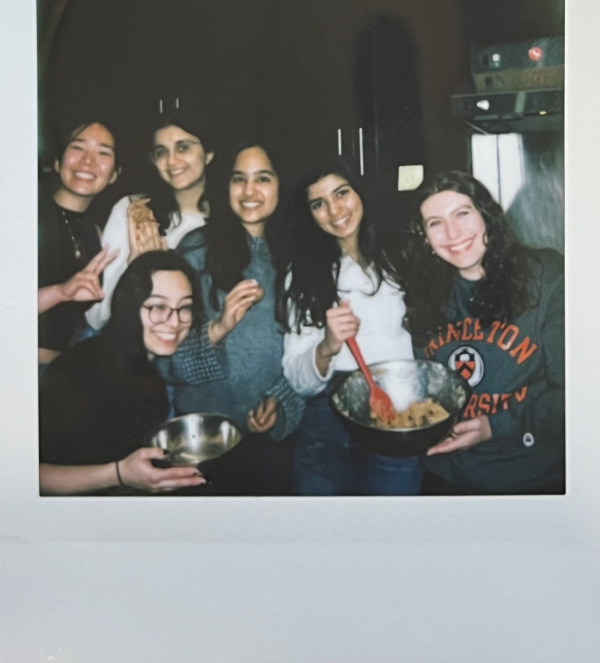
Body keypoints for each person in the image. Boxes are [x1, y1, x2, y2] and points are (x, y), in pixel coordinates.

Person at [403, 170, 565, 495]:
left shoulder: (547, 276)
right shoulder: (421, 296)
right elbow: (426, 386)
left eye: (462, 214)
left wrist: (495, 425)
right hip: (447, 478)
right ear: (425, 238)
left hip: (533, 477)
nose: (452, 233)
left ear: (486, 216)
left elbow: (581, 395)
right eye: (435, 223)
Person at [159, 143, 305, 495]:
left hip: (271, 444)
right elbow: (164, 363)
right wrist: (218, 329)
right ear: (225, 187)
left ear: (281, 185)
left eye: (263, 179)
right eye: (239, 179)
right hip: (200, 441)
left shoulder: (300, 257)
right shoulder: (195, 251)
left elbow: (310, 352)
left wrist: (281, 399)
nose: (250, 191)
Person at [281, 158, 421, 496]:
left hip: (397, 409)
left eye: (341, 193)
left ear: (360, 193)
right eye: (319, 204)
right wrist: (326, 347)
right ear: (309, 215)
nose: (334, 210)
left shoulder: (401, 258)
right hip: (327, 424)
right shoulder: (301, 275)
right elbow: (296, 378)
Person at [39, 251, 207, 495]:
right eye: (158, 306)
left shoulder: (147, 371)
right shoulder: (82, 371)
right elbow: (33, 477)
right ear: (130, 306)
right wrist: (118, 474)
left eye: (185, 307)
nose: (174, 322)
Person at [85, 109, 214, 331]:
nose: (172, 160)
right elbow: (96, 317)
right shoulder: (132, 211)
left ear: (208, 153)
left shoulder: (224, 225)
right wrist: (134, 267)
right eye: (161, 152)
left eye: (183, 147)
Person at [38, 121, 120, 362]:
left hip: (63, 372)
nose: (88, 161)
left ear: (114, 174)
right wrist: (60, 292)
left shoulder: (94, 232)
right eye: (78, 147)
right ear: (57, 162)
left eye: (103, 152)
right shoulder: (26, 216)